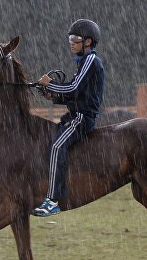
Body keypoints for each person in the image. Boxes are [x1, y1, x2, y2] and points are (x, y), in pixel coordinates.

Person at [32, 19, 106, 217]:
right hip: (73, 115)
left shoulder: (91, 60)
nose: (71, 43)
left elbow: (73, 87)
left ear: (88, 42)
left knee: (57, 146)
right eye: (70, 39)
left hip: (82, 118)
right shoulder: (82, 62)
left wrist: (50, 83)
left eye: (75, 39)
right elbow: (73, 93)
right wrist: (52, 94)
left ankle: (53, 200)